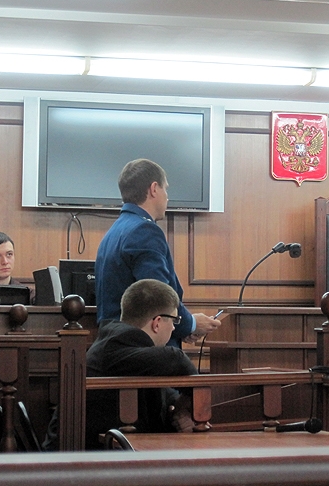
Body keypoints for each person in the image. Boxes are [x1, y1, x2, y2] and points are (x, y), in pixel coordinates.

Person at [95, 158, 220, 348]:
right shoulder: (144, 231)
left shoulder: (114, 231)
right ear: (154, 189)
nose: (167, 197)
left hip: (116, 345)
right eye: (165, 189)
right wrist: (192, 324)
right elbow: (157, 298)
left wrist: (180, 328)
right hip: (144, 351)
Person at [85, 279, 197, 449]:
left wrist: (177, 410)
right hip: (83, 459)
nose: (174, 328)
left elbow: (163, 393)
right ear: (157, 323)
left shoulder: (124, 344)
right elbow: (177, 359)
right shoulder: (116, 345)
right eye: (174, 321)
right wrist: (185, 406)